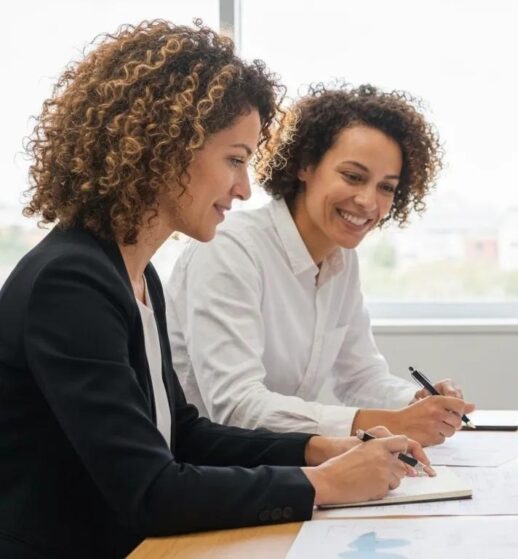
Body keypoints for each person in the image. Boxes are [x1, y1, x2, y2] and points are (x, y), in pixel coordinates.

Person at [0, 21, 430, 559]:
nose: (245, 187)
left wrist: (323, 449)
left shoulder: (135, 273)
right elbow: (151, 490)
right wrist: (326, 484)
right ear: (163, 147)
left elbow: (182, 432)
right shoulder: (71, 284)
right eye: (235, 159)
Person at [165, 85, 474, 447]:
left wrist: (416, 403)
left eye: (386, 188)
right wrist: (391, 422)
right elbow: (236, 407)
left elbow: (359, 376)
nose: (367, 201)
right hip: (205, 468)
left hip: (278, 462)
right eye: (353, 177)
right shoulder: (231, 249)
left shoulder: (342, 260)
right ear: (305, 165)